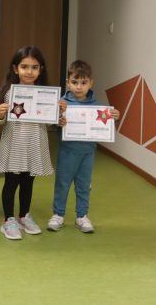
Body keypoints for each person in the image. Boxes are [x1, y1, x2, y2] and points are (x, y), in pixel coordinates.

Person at [48, 60, 121, 233]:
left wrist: (113, 117)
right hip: (67, 152)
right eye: (74, 82)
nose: (79, 87)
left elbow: (104, 127)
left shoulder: (97, 107)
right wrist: (58, 120)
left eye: (83, 82)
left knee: (84, 185)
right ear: (68, 82)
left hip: (87, 154)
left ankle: (82, 216)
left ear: (91, 83)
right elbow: (52, 123)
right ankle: (58, 214)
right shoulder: (62, 104)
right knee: (62, 184)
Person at [0, 46, 57, 241]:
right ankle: (8, 220)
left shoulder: (46, 94)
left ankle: (24, 216)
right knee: (11, 182)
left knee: (28, 182)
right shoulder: (8, 92)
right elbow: (0, 120)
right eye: (24, 66)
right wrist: (1, 113)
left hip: (34, 142)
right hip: (14, 143)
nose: (29, 71)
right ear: (15, 69)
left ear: (41, 70)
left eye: (34, 67)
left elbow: (50, 120)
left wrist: (59, 111)